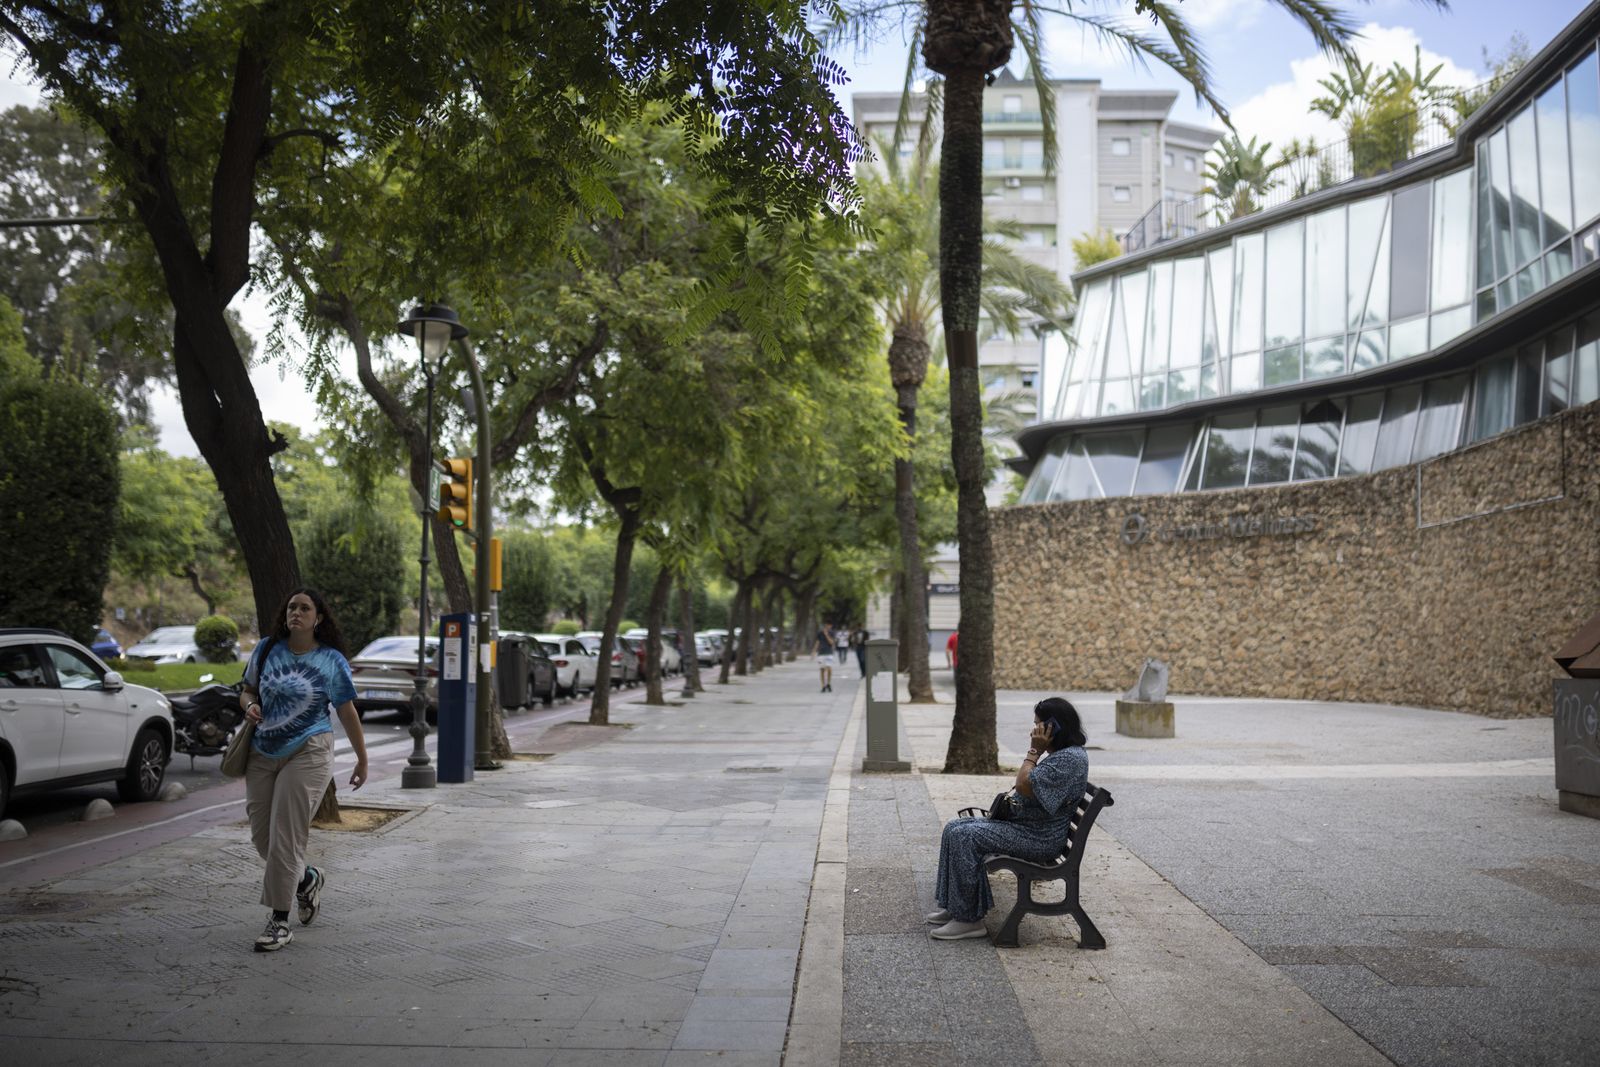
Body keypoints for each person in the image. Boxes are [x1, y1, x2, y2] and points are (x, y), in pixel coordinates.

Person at [238, 588, 368, 952]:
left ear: (318, 618)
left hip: (309, 751)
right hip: (263, 750)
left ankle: (279, 921)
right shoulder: (266, 649)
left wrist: (362, 757)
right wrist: (249, 706)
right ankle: (307, 878)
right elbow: (247, 690)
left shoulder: (331, 661)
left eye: (305, 608)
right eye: (292, 606)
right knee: (263, 838)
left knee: (286, 835)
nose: (296, 612)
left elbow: (346, 711)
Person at [926, 697, 1088, 940]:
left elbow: (1023, 785)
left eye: (1037, 725)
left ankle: (969, 920)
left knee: (965, 836)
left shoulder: (1070, 759)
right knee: (954, 827)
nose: (1033, 731)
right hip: (1027, 828)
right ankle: (957, 906)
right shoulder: (1064, 754)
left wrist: (1034, 751)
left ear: (1052, 728)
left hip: (1038, 838)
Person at [815, 621, 835, 693]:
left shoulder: (831, 633)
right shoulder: (820, 633)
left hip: (829, 653)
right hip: (821, 653)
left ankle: (828, 683)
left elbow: (831, 642)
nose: (827, 626)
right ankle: (823, 685)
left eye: (829, 625)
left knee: (829, 668)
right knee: (822, 669)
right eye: (826, 625)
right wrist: (814, 652)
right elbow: (817, 642)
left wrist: (826, 635)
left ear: (831, 626)